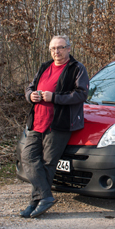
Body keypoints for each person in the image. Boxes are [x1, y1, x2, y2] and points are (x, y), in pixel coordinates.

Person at [20, 35, 89, 218]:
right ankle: (46, 197)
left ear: (68, 48)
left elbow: (81, 95)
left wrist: (55, 97)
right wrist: (31, 96)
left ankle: (34, 202)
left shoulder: (77, 68)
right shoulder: (44, 66)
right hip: (37, 122)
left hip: (59, 124)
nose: (56, 52)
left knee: (48, 163)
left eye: (60, 48)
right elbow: (30, 88)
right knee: (27, 157)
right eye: (53, 48)